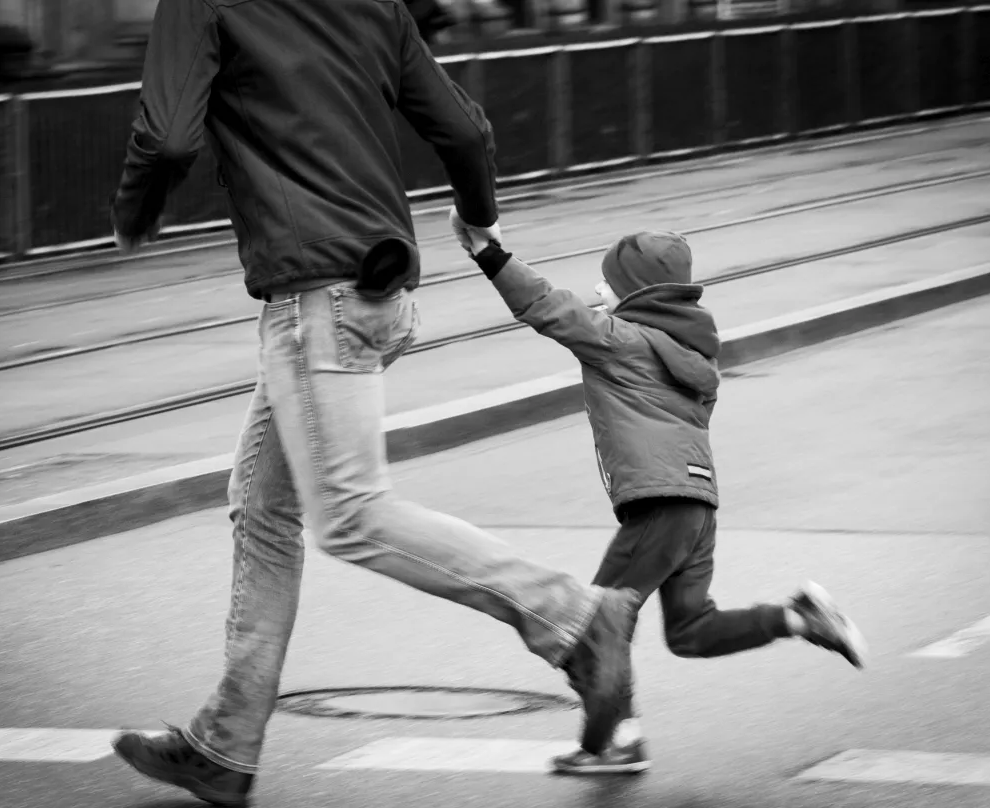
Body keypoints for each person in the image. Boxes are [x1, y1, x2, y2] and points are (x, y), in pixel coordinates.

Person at [106, 1, 638, 805]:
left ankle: (574, 619)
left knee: (351, 513)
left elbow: (171, 135)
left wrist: (133, 212)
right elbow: (462, 130)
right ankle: (226, 743)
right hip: (373, 285)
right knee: (261, 507)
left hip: (314, 298)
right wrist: (479, 215)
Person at [451, 223, 869, 776]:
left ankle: (612, 743)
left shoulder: (622, 339)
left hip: (659, 508)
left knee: (594, 624)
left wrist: (488, 251)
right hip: (697, 508)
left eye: (606, 285)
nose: (598, 295)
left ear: (638, 292)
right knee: (690, 631)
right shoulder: (695, 358)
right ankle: (799, 619)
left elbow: (547, 307)